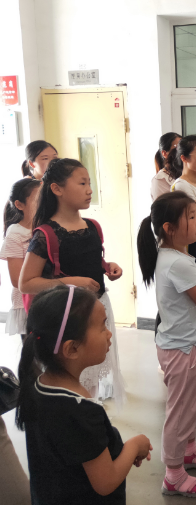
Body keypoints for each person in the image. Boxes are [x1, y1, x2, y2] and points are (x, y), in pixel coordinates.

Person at [15, 285, 153, 504]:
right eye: (102, 326)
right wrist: (133, 446)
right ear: (72, 349)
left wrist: (121, 455)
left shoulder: (37, 387)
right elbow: (106, 482)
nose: (109, 333)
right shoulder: (81, 411)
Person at [137, 191, 196, 498]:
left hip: (187, 344)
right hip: (182, 349)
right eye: (190, 217)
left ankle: (188, 451)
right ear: (169, 228)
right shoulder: (178, 263)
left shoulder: (174, 257)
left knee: (190, 405)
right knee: (180, 411)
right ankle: (173, 475)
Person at [19, 158, 126, 406]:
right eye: (82, 183)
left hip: (97, 309)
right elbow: (26, 282)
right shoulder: (46, 234)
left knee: (93, 369)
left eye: (89, 183)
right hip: (68, 316)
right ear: (57, 189)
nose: (89, 190)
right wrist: (70, 282)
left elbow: (89, 259)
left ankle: (89, 410)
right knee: (71, 375)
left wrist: (108, 267)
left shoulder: (93, 226)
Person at [1, 178, 40, 338]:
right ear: (19, 205)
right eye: (38, 199)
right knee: (34, 350)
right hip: (27, 305)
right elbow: (17, 280)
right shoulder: (15, 233)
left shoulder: (48, 227)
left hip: (49, 300)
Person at [151, 132, 181, 201]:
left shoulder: (182, 175)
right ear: (164, 153)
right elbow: (166, 207)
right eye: (178, 148)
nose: (182, 153)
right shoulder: (160, 180)